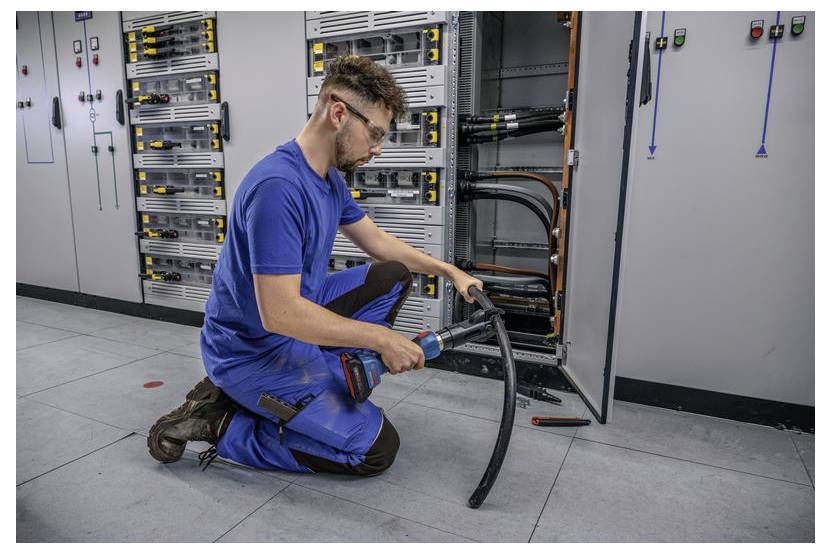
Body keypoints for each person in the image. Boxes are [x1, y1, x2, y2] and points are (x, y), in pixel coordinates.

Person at [147, 55, 483, 476]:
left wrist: (450, 271)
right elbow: (279, 313)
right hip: (251, 348)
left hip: (294, 312)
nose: (377, 150)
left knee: (392, 277)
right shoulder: (278, 187)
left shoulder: (327, 179)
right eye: (374, 134)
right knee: (374, 449)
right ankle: (221, 422)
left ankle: (322, 384)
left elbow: (377, 242)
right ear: (338, 113)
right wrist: (380, 339)